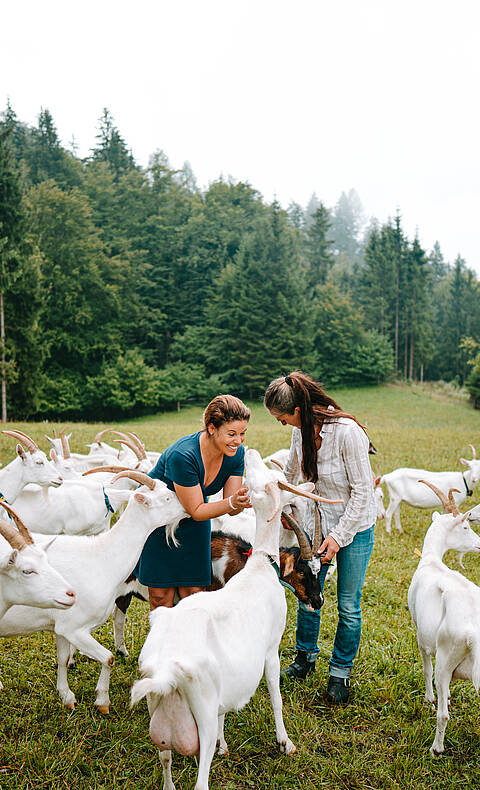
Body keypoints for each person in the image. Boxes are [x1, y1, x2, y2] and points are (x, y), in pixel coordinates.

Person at [264, 371, 376, 705]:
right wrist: (276, 501)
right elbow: (291, 475)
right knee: (308, 590)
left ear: (299, 409)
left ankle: (340, 671)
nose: (283, 425)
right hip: (316, 525)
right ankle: (304, 659)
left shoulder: (347, 433)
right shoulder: (300, 433)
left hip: (355, 527)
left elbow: (363, 493)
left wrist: (340, 538)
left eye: (283, 419)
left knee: (348, 604)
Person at [135, 394, 251, 610]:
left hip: (195, 524)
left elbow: (231, 507)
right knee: (161, 597)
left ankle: (190, 642)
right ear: (211, 428)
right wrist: (233, 503)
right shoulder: (183, 455)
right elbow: (197, 509)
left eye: (243, 433)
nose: (238, 440)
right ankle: (162, 643)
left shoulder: (236, 454)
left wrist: (243, 500)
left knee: (194, 595)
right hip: (159, 522)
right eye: (232, 434)